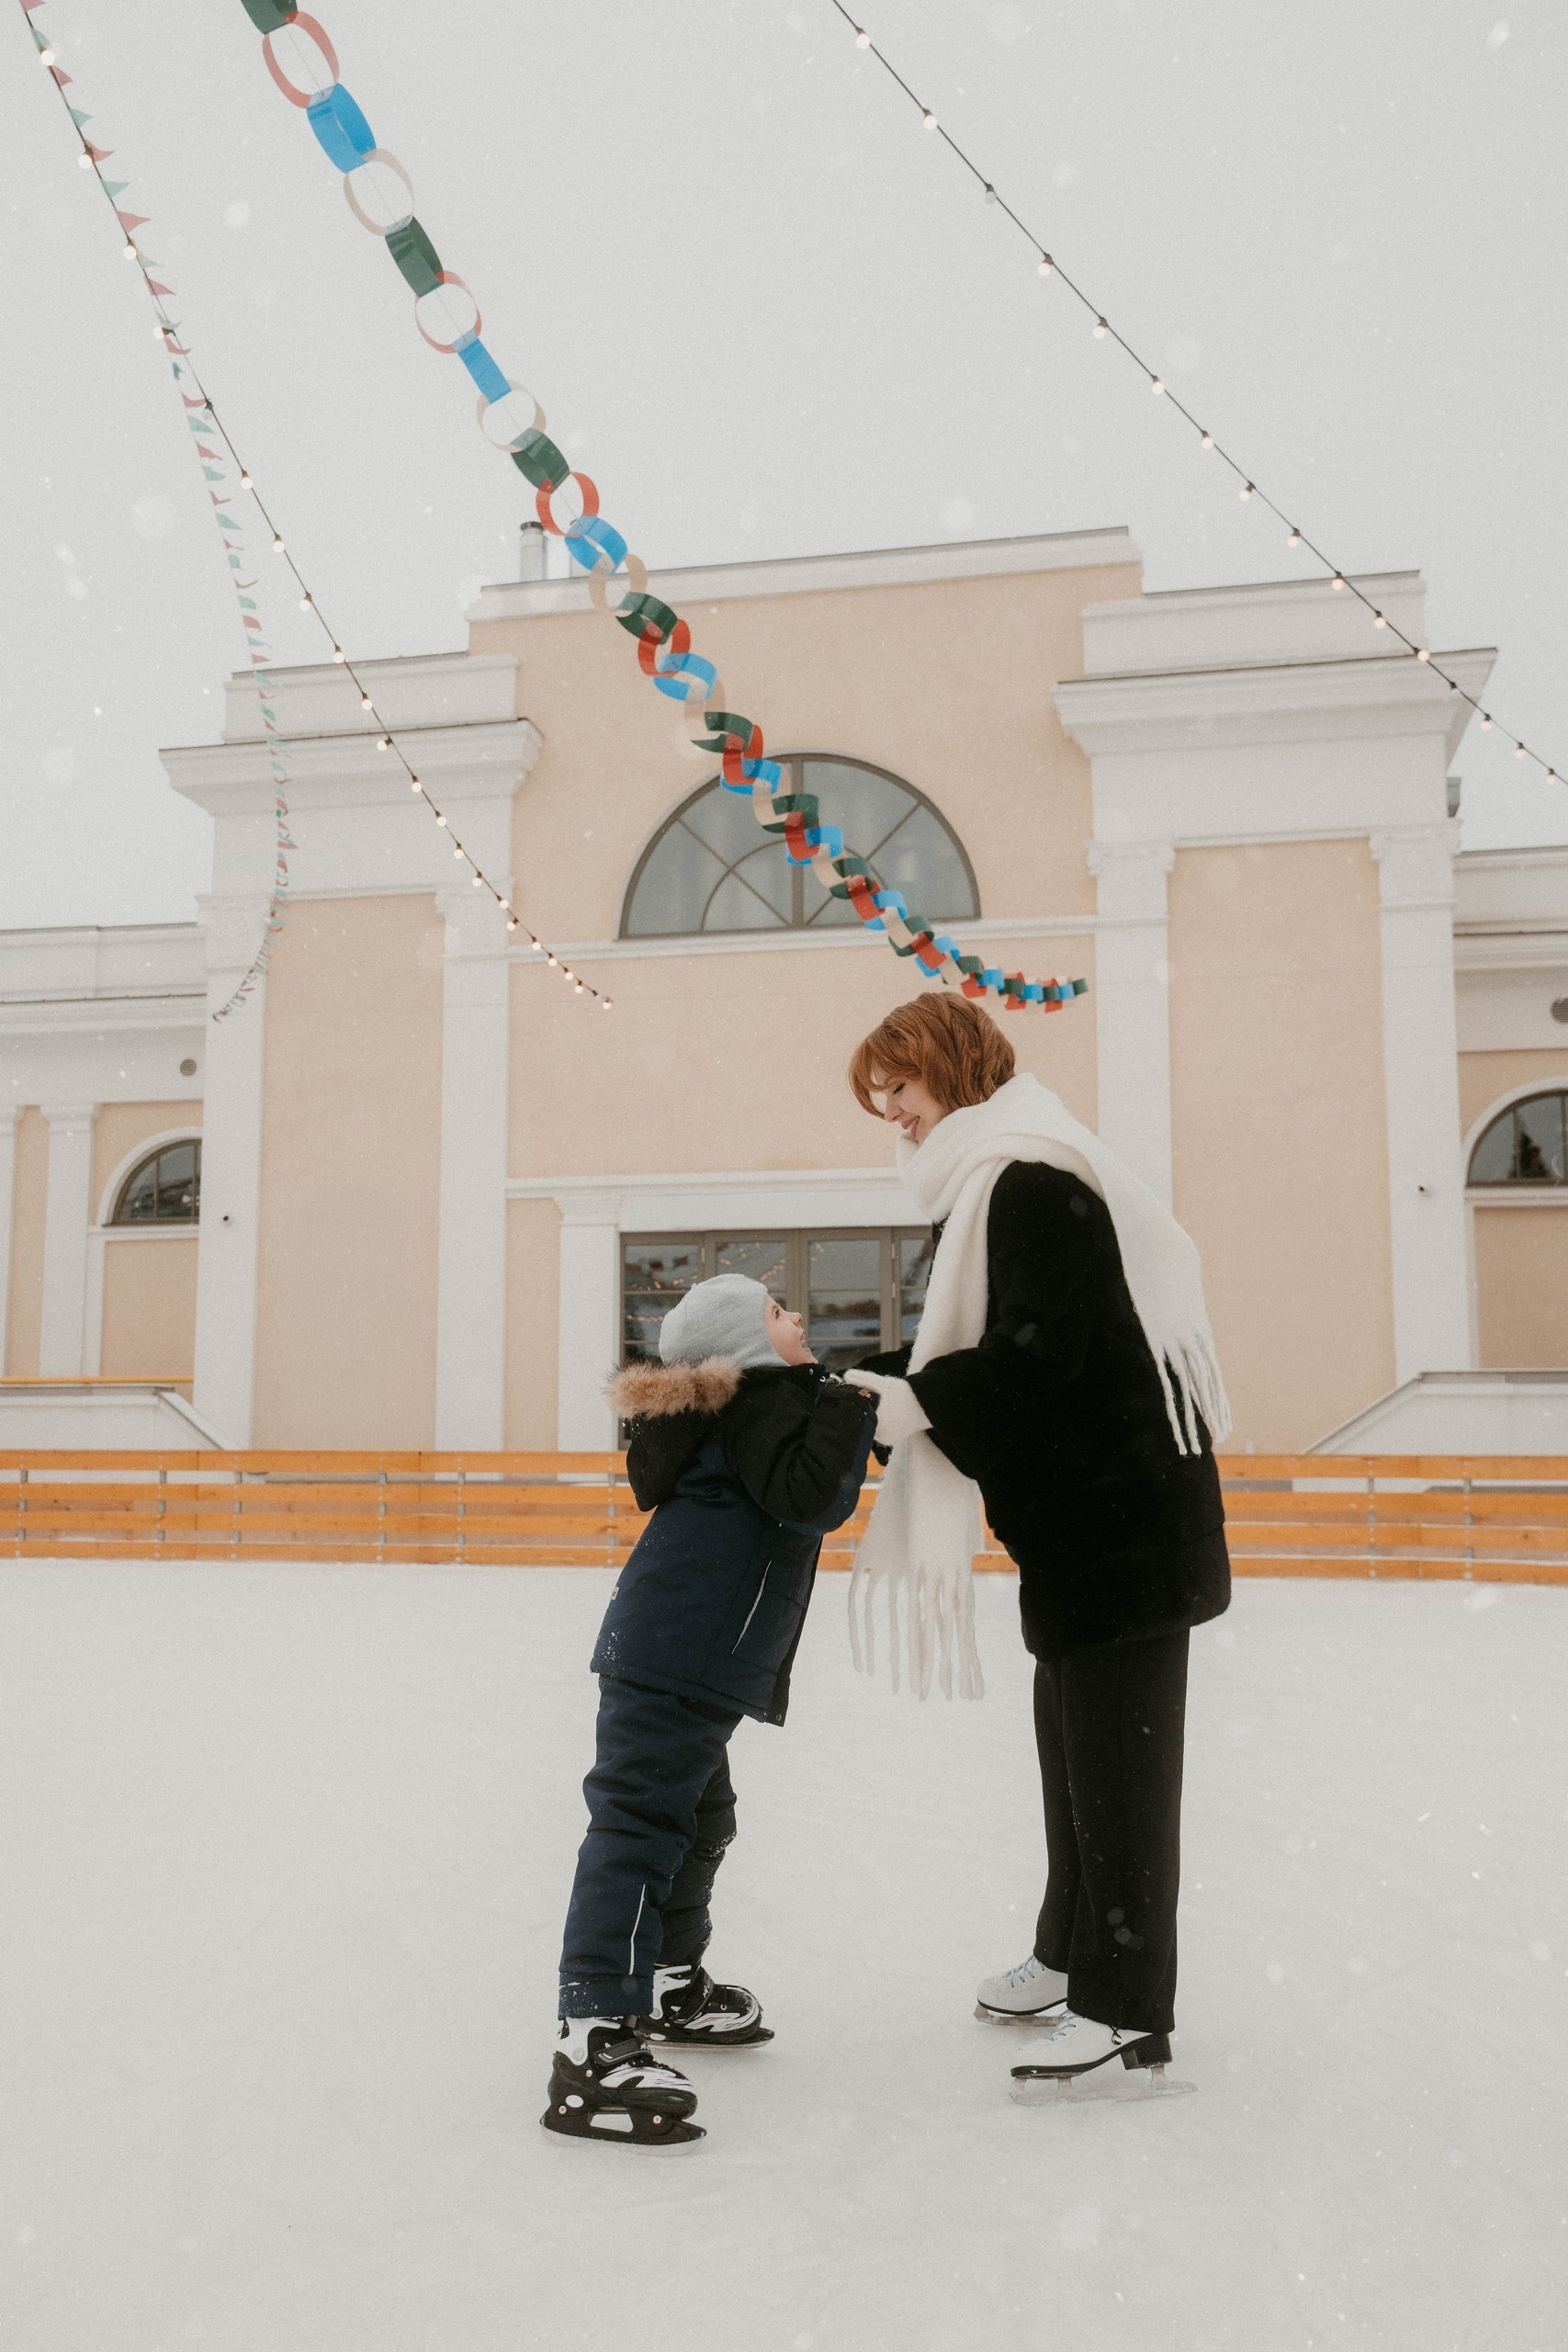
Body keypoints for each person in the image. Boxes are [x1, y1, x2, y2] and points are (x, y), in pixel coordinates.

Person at [841, 993, 1232, 2093]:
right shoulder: (994, 1179)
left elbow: (1037, 1353)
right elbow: (980, 1345)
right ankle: (1069, 1956)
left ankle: (1126, 2010)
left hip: (1123, 1531)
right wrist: (874, 1381)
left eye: (901, 1088)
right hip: (1084, 1529)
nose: (894, 1113)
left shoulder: (1028, 1178)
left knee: (1120, 1782)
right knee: (1077, 1765)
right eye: (882, 1097)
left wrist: (918, 1401)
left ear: (950, 1068)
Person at [544, 1272, 876, 2153]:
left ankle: (665, 1979)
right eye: (775, 1311)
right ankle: (593, 2032)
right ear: (747, 1345)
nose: (797, 1316)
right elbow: (812, 1496)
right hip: (680, 1649)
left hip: (686, 1650)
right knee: (640, 1826)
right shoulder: (761, 1401)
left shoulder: (744, 1406)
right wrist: (847, 1404)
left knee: (696, 1820)